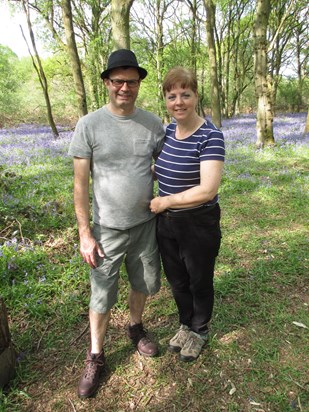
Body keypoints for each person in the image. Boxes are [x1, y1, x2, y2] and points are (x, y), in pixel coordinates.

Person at [68, 49, 165, 398]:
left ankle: (136, 328)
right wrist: (84, 232)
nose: (125, 88)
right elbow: (80, 183)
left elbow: (166, 165)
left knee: (144, 282)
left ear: (139, 84)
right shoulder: (89, 125)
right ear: (107, 83)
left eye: (132, 82)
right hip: (106, 229)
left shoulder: (154, 124)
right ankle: (95, 355)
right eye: (119, 81)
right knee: (102, 293)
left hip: (145, 226)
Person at [150, 67, 225, 362]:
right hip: (166, 223)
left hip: (198, 222)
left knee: (199, 279)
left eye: (185, 94)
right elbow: (160, 170)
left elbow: (207, 189)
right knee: (177, 279)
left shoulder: (210, 136)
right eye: (172, 96)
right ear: (166, 100)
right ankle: (185, 323)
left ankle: (200, 329)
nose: (178, 101)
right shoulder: (167, 132)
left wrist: (166, 201)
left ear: (196, 96)